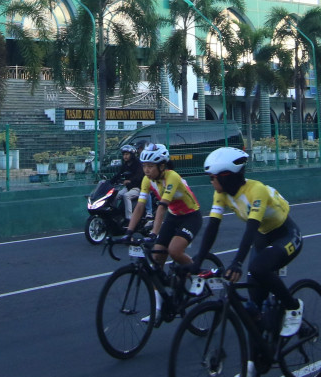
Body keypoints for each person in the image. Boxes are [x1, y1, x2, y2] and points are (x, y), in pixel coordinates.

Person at [192, 147, 303, 346]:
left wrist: (237, 263)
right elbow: (212, 227)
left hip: (285, 234)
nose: (211, 182)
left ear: (226, 176)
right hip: (262, 237)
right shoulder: (221, 194)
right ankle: (262, 349)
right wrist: (198, 260)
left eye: (213, 177)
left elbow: (250, 229)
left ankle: (293, 307)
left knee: (259, 269)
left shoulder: (256, 190)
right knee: (254, 301)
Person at [123, 143, 202, 272]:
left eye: (150, 166)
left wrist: (154, 234)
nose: (146, 170)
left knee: (174, 251)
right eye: (144, 166)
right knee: (157, 256)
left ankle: (197, 275)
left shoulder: (172, 177)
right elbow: (140, 206)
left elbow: (162, 207)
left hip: (190, 217)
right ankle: (159, 286)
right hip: (173, 216)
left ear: (162, 166)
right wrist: (129, 232)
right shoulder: (147, 180)